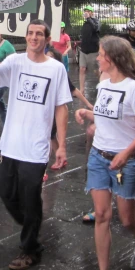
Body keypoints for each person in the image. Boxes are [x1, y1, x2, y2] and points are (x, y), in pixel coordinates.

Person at [0, 20, 72, 270]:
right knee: (6, 192)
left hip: (36, 147)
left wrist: (61, 146)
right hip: (10, 144)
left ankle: (30, 249)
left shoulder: (55, 69)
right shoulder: (15, 61)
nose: (33, 37)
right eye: (30, 33)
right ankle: (33, 223)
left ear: (46, 39)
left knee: (31, 198)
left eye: (39, 34)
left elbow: (61, 107)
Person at [76, 37, 135, 270]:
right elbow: (105, 115)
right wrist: (89, 116)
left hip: (125, 162)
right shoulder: (103, 84)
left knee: (127, 219)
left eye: (100, 54)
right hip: (98, 157)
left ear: (111, 58)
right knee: (101, 215)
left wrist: (125, 153)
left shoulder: (134, 89)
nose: (97, 58)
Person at [45, 47, 92, 176]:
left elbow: (74, 90)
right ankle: (59, 157)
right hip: (46, 110)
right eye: (47, 56)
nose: (48, 59)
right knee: (51, 136)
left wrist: (88, 104)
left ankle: (45, 167)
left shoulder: (59, 73)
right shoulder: (42, 71)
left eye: (51, 57)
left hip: (55, 110)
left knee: (48, 135)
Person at [79, 5, 101, 94]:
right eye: (85, 11)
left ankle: (103, 85)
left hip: (93, 50)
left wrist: (89, 19)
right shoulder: (85, 23)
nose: (86, 12)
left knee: (96, 70)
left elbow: (96, 29)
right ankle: (81, 90)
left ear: (92, 13)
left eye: (88, 11)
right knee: (82, 69)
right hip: (83, 50)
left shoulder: (96, 22)